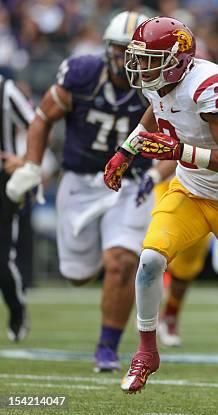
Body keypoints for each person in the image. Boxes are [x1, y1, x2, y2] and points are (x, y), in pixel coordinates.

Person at [103, 16, 218, 393]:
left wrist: (179, 150)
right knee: (149, 261)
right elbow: (156, 107)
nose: (142, 68)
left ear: (178, 59)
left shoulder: (210, 86)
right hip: (190, 191)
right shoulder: (159, 79)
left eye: (151, 59)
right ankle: (146, 352)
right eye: (140, 58)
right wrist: (126, 150)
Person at [6, 11, 150, 371]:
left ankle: (107, 348)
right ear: (107, 50)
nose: (128, 60)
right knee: (77, 274)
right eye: (121, 50)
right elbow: (42, 117)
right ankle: (109, 258)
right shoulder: (83, 74)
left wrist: (158, 175)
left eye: (137, 52)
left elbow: (178, 136)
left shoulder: (158, 85)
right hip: (81, 180)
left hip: (131, 183)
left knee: (121, 262)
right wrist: (32, 166)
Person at [0, 75, 35, 342]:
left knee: (2, 261)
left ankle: (17, 310)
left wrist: (23, 159)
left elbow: (37, 125)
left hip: (3, 182)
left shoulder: (5, 88)